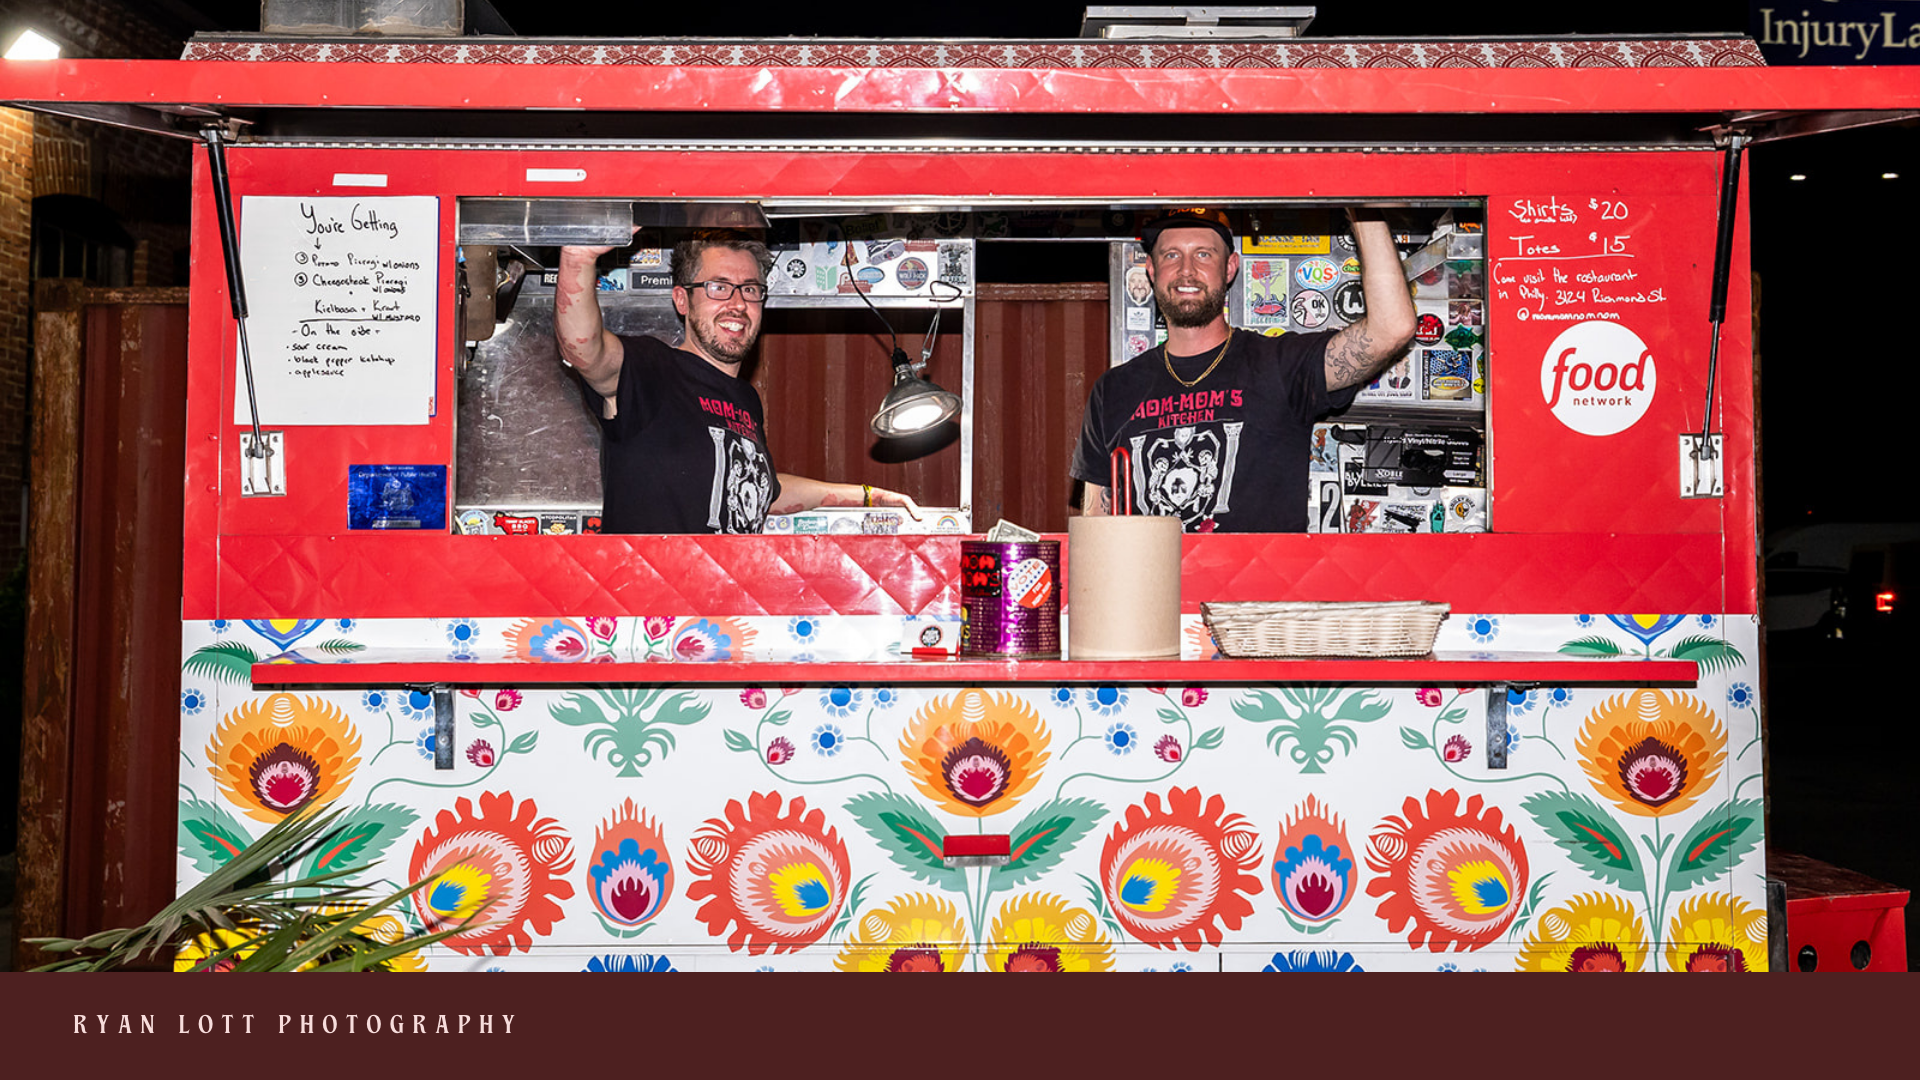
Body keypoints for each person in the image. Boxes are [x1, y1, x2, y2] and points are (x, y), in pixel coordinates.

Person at [1071, 208, 1416, 532]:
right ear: (1151, 268)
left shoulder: (1280, 364)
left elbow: (1391, 328)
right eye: (1171, 255)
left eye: (1203, 254)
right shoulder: (1113, 389)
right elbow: (1096, 524)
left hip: (1253, 594)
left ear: (1231, 267)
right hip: (1154, 593)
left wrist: (1362, 204)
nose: (1186, 270)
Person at [555, 231, 922, 534]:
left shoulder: (744, 400)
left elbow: (764, 491)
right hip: (657, 618)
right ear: (682, 300)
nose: (737, 303)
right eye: (719, 287)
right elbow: (585, 350)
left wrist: (869, 497)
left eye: (749, 289)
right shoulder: (650, 367)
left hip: (724, 615)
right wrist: (578, 257)